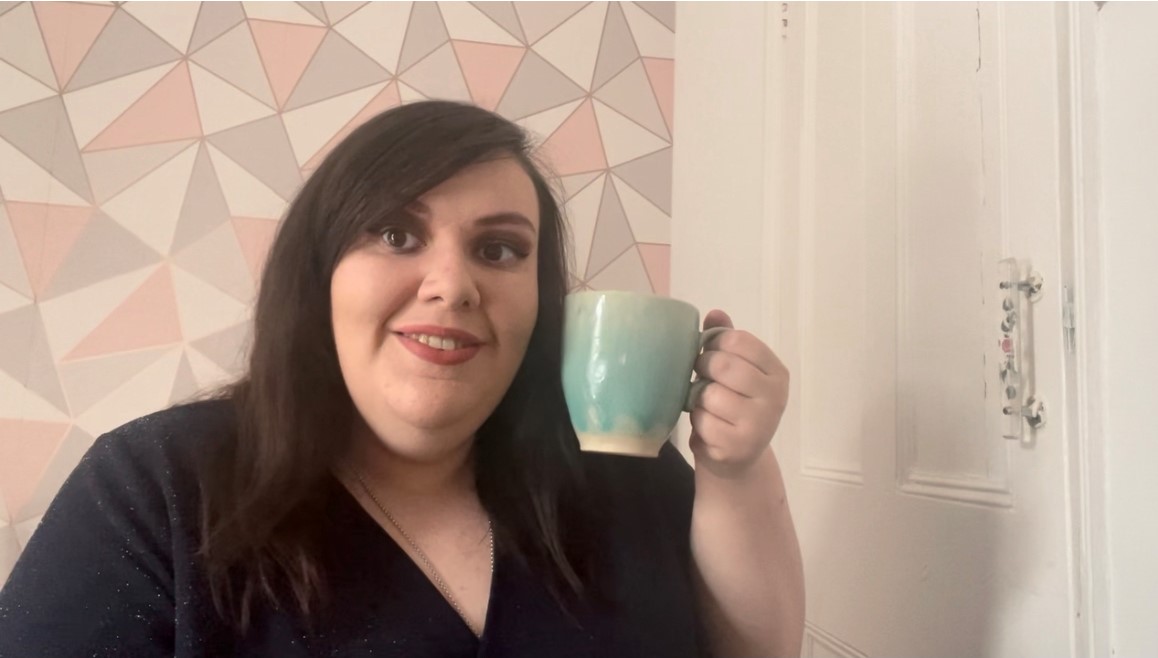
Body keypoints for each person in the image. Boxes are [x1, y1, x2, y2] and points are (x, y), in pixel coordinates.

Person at [0, 101, 803, 657]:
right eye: (395, 233)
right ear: (320, 274)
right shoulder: (153, 492)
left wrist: (735, 470)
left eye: (499, 250)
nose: (452, 284)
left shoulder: (612, 468)